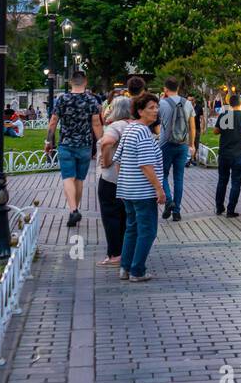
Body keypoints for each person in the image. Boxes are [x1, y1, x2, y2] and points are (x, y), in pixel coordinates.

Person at [113, 92, 166, 282]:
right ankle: (137, 270)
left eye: (156, 107)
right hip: (142, 192)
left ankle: (125, 268)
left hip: (128, 190)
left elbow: (117, 159)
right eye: (151, 108)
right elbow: (146, 164)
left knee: (132, 228)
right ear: (140, 111)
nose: (156, 111)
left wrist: (125, 180)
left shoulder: (129, 129)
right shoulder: (143, 132)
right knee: (148, 230)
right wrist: (159, 189)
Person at [45, 72, 104, 228]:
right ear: (85, 82)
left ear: (71, 82)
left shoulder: (62, 99)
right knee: (79, 179)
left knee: (67, 178)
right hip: (85, 145)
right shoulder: (91, 100)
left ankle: (73, 210)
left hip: (66, 144)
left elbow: (53, 122)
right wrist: (102, 144)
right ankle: (75, 209)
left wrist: (48, 141)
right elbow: (96, 124)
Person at [95, 96, 136, 268]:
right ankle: (125, 252)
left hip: (110, 178)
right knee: (125, 216)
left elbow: (107, 143)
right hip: (128, 179)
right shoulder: (133, 126)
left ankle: (114, 254)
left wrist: (106, 160)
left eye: (111, 107)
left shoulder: (116, 126)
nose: (108, 110)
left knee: (110, 216)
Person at [156, 78, 196, 222]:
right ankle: (177, 211)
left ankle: (169, 201)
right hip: (182, 144)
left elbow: (156, 122)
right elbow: (192, 127)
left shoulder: (161, 103)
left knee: (162, 174)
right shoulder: (188, 103)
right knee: (179, 178)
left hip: (165, 144)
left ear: (165, 89)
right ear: (178, 88)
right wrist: (192, 144)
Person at [214, 94, 241, 216]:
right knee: (236, 183)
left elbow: (215, 131)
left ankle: (219, 207)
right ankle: (231, 210)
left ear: (230, 104)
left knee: (222, 181)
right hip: (238, 154)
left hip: (224, 154)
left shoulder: (224, 115)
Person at [187, 93, 206, 167]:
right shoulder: (186, 107)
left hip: (197, 128)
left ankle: (193, 157)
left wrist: (203, 128)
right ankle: (189, 159)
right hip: (188, 128)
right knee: (189, 143)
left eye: (191, 100)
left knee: (196, 143)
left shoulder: (198, 107)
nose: (189, 101)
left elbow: (202, 118)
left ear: (194, 100)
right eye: (188, 100)